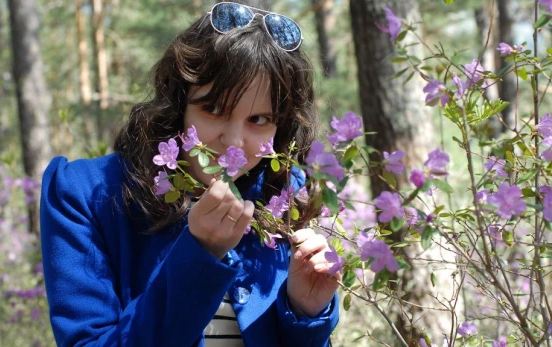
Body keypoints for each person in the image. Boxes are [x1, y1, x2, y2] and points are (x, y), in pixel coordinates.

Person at [40, 2, 341, 346]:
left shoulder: (286, 195)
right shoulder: (84, 192)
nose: (233, 142)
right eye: (213, 109)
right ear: (178, 101)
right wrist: (199, 255)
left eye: (259, 120)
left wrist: (305, 314)